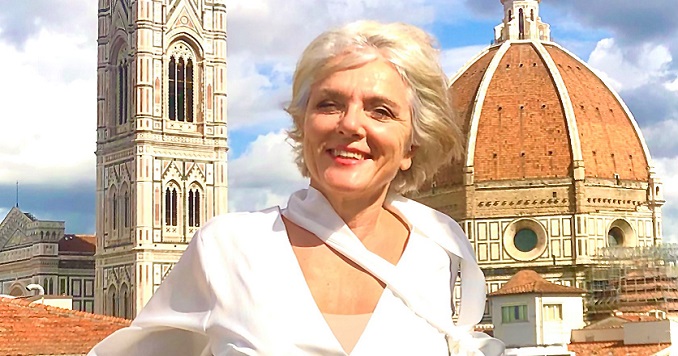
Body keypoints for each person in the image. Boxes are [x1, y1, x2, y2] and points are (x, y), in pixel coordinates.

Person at [89, 21, 504, 356]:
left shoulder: (441, 249)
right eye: (329, 104)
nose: (350, 124)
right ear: (303, 124)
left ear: (412, 144)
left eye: (380, 111)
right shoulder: (231, 248)